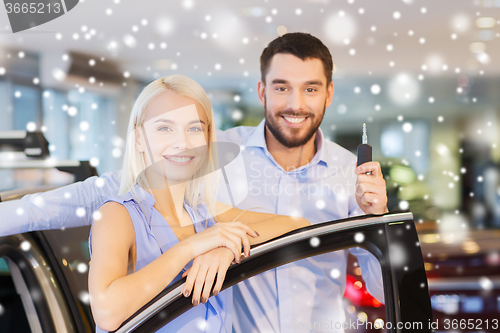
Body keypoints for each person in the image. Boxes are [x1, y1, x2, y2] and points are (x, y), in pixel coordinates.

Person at [0, 33, 388, 332]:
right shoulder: (212, 153)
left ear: (329, 93)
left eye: (311, 88)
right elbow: (104, 193)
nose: (295, 104)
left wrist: (227, 245)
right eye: (282, 87)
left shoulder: (350, 173)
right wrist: (206, 243)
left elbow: (372, 278)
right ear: (262, 91)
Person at [88, 74, 310, 332]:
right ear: (139, 138)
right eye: (164, 128)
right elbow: (106, 313)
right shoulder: (117, 215)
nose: (182, 143)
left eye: (194, 128)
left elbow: (298, 225)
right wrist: (192, 247)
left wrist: (226, 249)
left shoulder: (205, 212)